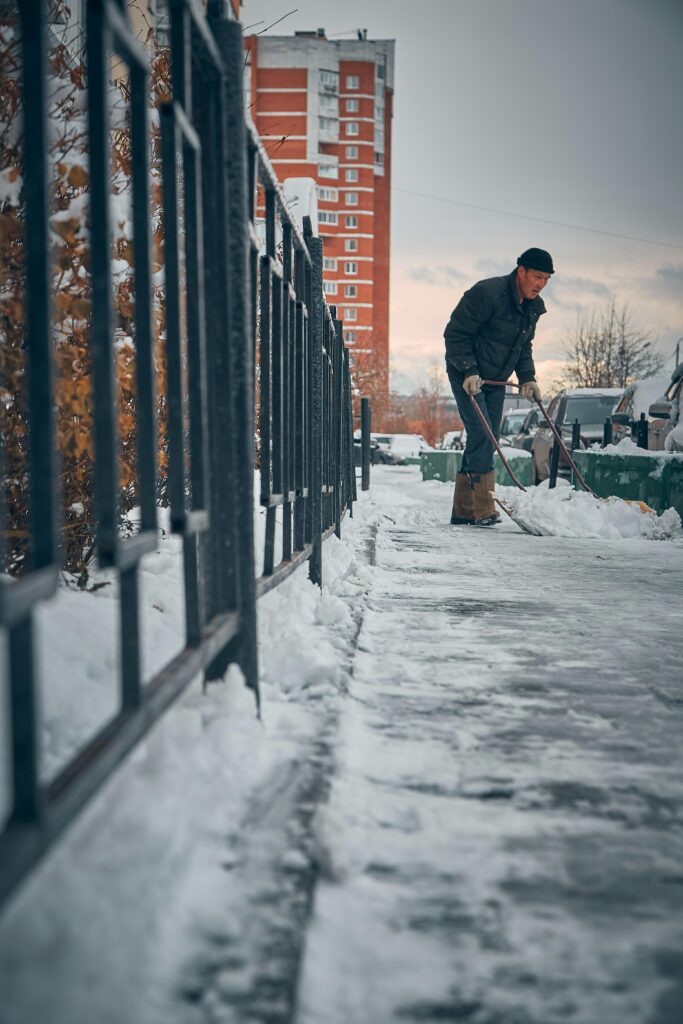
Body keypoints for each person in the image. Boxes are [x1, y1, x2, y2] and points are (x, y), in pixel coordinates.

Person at [443, 247, 554, 526]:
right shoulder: (487, 293)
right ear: (521, 272)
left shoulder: (532, 308)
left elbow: (523, 346)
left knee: (489, 435)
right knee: (482, 433)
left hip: (495, 380)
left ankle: (465, 510)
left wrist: (528, 378)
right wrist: (469, 371)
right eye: (537, 277)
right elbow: (455, 334)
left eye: (547, 280)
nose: (541, 284)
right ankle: (480, 507)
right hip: (467, 374)